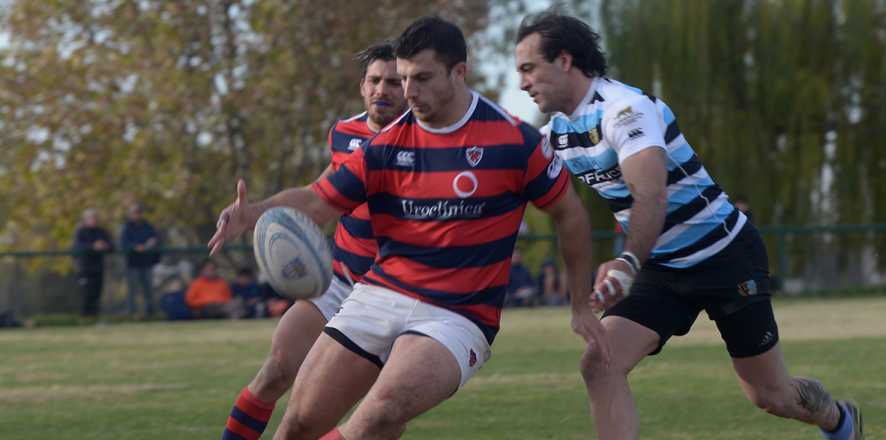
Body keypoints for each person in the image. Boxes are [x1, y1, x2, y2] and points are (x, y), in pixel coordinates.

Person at [209, 16, 608, 439]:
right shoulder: (384, 147)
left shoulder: (515, 141)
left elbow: (571, 214)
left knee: (381, 413)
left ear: (459, 72)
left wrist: (579, 302)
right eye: (404, 78)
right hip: (378, 294)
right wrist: (254, 213)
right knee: (298, 424)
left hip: (458, 316)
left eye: (421, 78)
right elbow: (317, 201)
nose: (410, 92)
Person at [514, 11, 862, 440]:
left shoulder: (625, 110)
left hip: (726, 257)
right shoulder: (557, 134)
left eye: (529, 68)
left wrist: (625, 263)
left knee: (771, 396)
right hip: (660, 267)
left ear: (564, 60)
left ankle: (838, 420)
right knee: (599, 363)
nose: (522, 83)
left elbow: (651, 195)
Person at [220, 41, 408, 440]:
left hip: (396, 293)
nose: (382, 90)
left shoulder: (426, 142)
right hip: (338, 282)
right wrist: (252, 213)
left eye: (394, 82)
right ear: (362, 86)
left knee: (377, 419)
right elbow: (318, 192)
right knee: (276, 371)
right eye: (375, 80)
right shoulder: (344, 133)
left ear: (410, 87)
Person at [120, 203, 161, 318]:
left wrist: (151, 242)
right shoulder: (126, 228)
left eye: (138, 212)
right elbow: (124, 244)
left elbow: (155, 238)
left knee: (149, 289)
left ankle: (151, 313)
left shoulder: (147, 226)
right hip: (132, 264)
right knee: (132, 290)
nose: (136, 215)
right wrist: (135, 247)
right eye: (134, 213)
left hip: (146, 262)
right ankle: (131, 313)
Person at [71, 208, 113, 317]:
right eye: (90, 218)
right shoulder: (80, 232)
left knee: (97, 295)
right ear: (85, 219)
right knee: (86, 295)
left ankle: (94, 317)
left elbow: (112, 246)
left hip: (98, 268)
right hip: (84, 269)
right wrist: (93, 246)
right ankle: (84, 318)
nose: (93, 220)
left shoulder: (101, 231)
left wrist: (105, 246)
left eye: (95, 218)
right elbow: (77, 247)